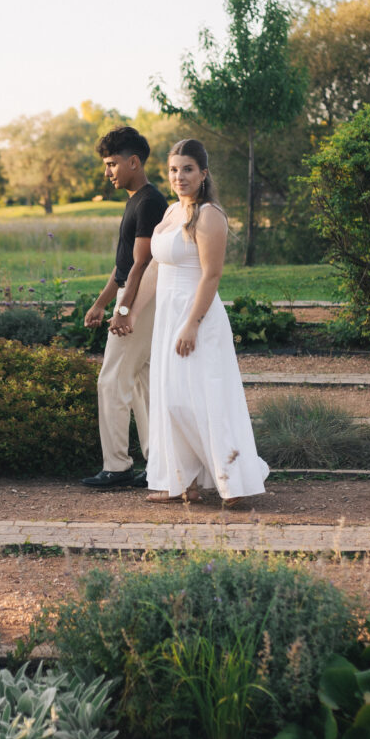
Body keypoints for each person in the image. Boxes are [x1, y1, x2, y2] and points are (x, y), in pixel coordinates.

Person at [128, 139, 269, 505]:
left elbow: (211, 276)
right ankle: (183, 480)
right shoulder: (172, 213)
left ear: (203, 173)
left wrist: (192, 323)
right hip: (167, 317)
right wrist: (131, 311)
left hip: (197, 316)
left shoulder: (209, 216)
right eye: (174, 169)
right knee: (172, 399)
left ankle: (231, 481)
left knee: (205, 397)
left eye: (188, 169)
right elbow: (156, 270)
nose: (180, 176)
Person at [81, 126, 168, 490]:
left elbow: (142, 263)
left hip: (141, 301)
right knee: (142, 383)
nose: (108, 172)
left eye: (112, 164)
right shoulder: (136, 200)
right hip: (134, 299)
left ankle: (117, 465)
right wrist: (102, 303)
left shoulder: (149, 202)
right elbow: (122, 267)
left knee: (112, 380)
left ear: (134, 162)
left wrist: (123, 311)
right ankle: (158, 462)